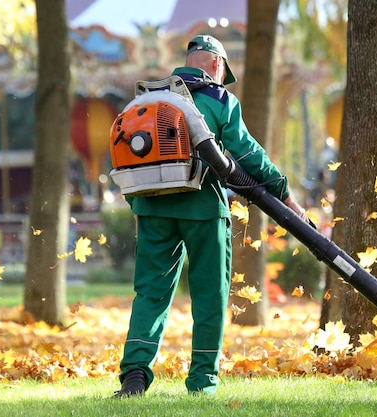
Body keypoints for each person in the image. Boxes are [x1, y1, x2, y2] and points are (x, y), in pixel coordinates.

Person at [114, 34, 309, 397]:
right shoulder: (218, 98)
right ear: (217, 65)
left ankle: (135, 375)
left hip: (152, 209)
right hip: (202, 209)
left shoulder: (145, 100)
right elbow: (248, 155)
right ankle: (202, 381)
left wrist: (141, 206)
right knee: (210, 295)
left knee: (150, 294)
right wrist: (285, 196)